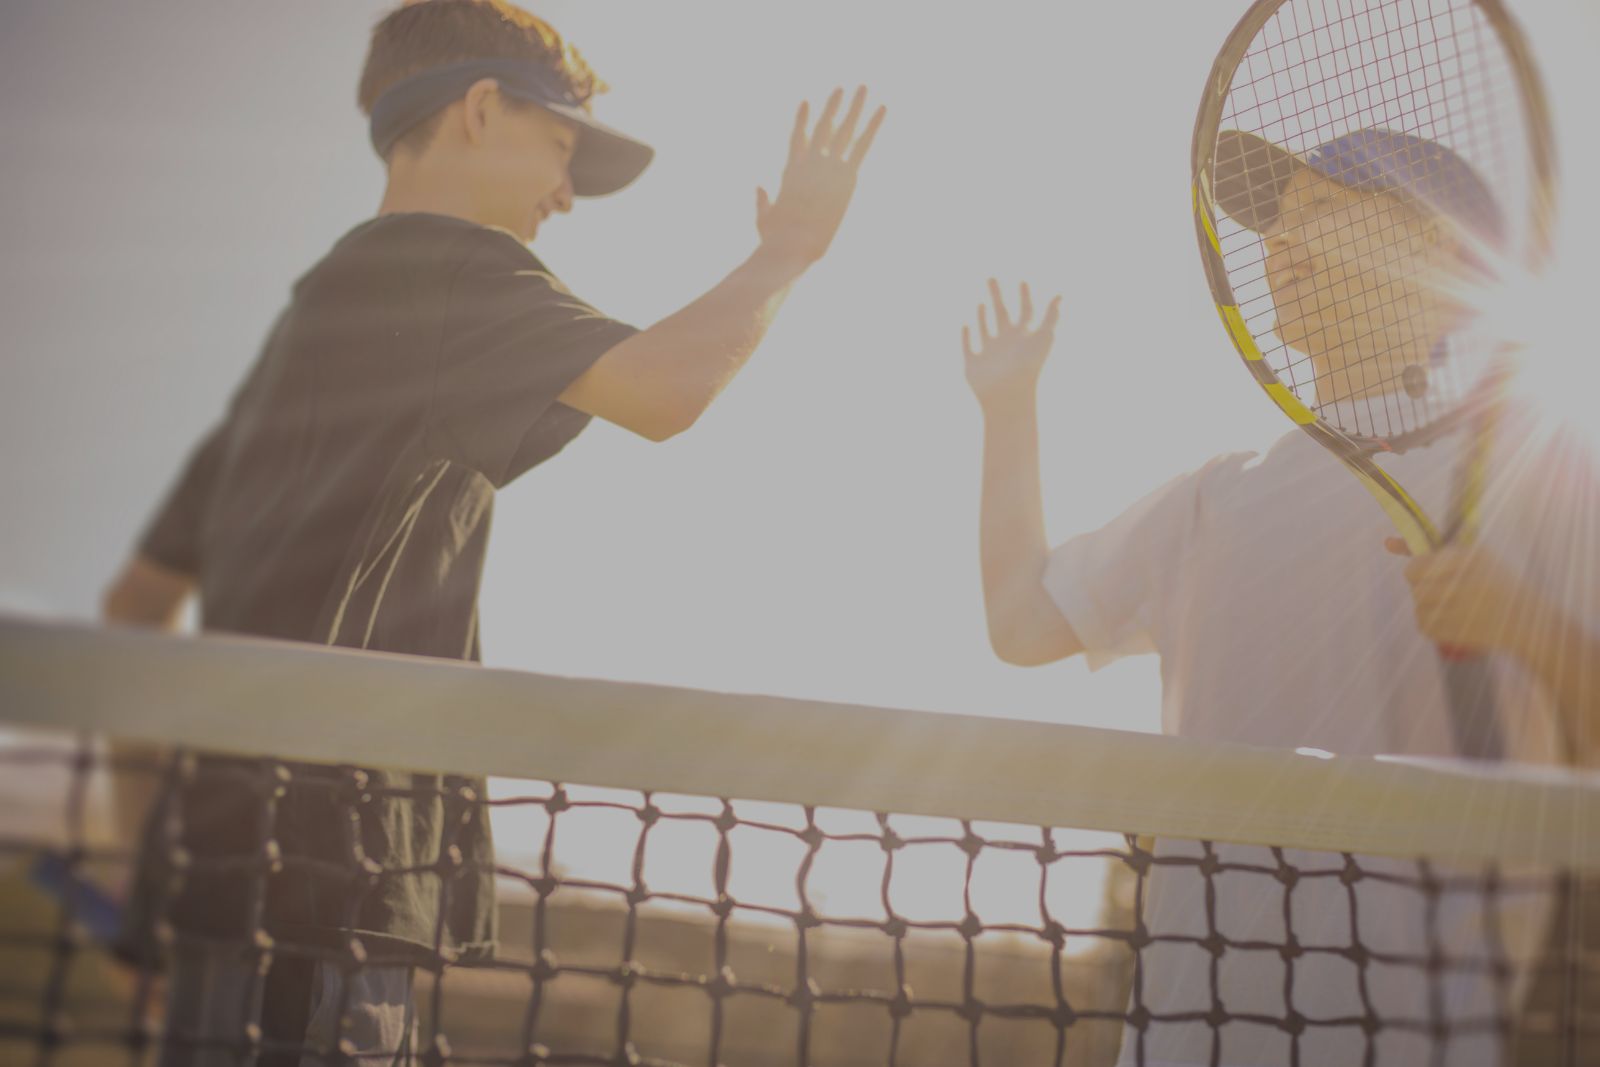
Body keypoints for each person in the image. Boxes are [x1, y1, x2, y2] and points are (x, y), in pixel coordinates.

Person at [99, 1, 884, 1063]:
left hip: (222, 909)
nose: (565, 195)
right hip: (328, 910)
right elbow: (664, 389)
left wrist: (147, 880)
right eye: (559, 150)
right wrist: (787, 254)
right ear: (478, 110)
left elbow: (135, 606)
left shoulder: (297, 337)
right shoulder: (443, 265)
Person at [962, 128, 1596, 1065]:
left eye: (1326, 210)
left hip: (1423, 1044)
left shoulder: (1546, 480)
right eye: (1279, 217)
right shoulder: (1216, 496)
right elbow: (1021, 622)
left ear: (1439, 253)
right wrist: (1010, 411)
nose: (1280, 242)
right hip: (1182, 1043)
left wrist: (1526, 627)